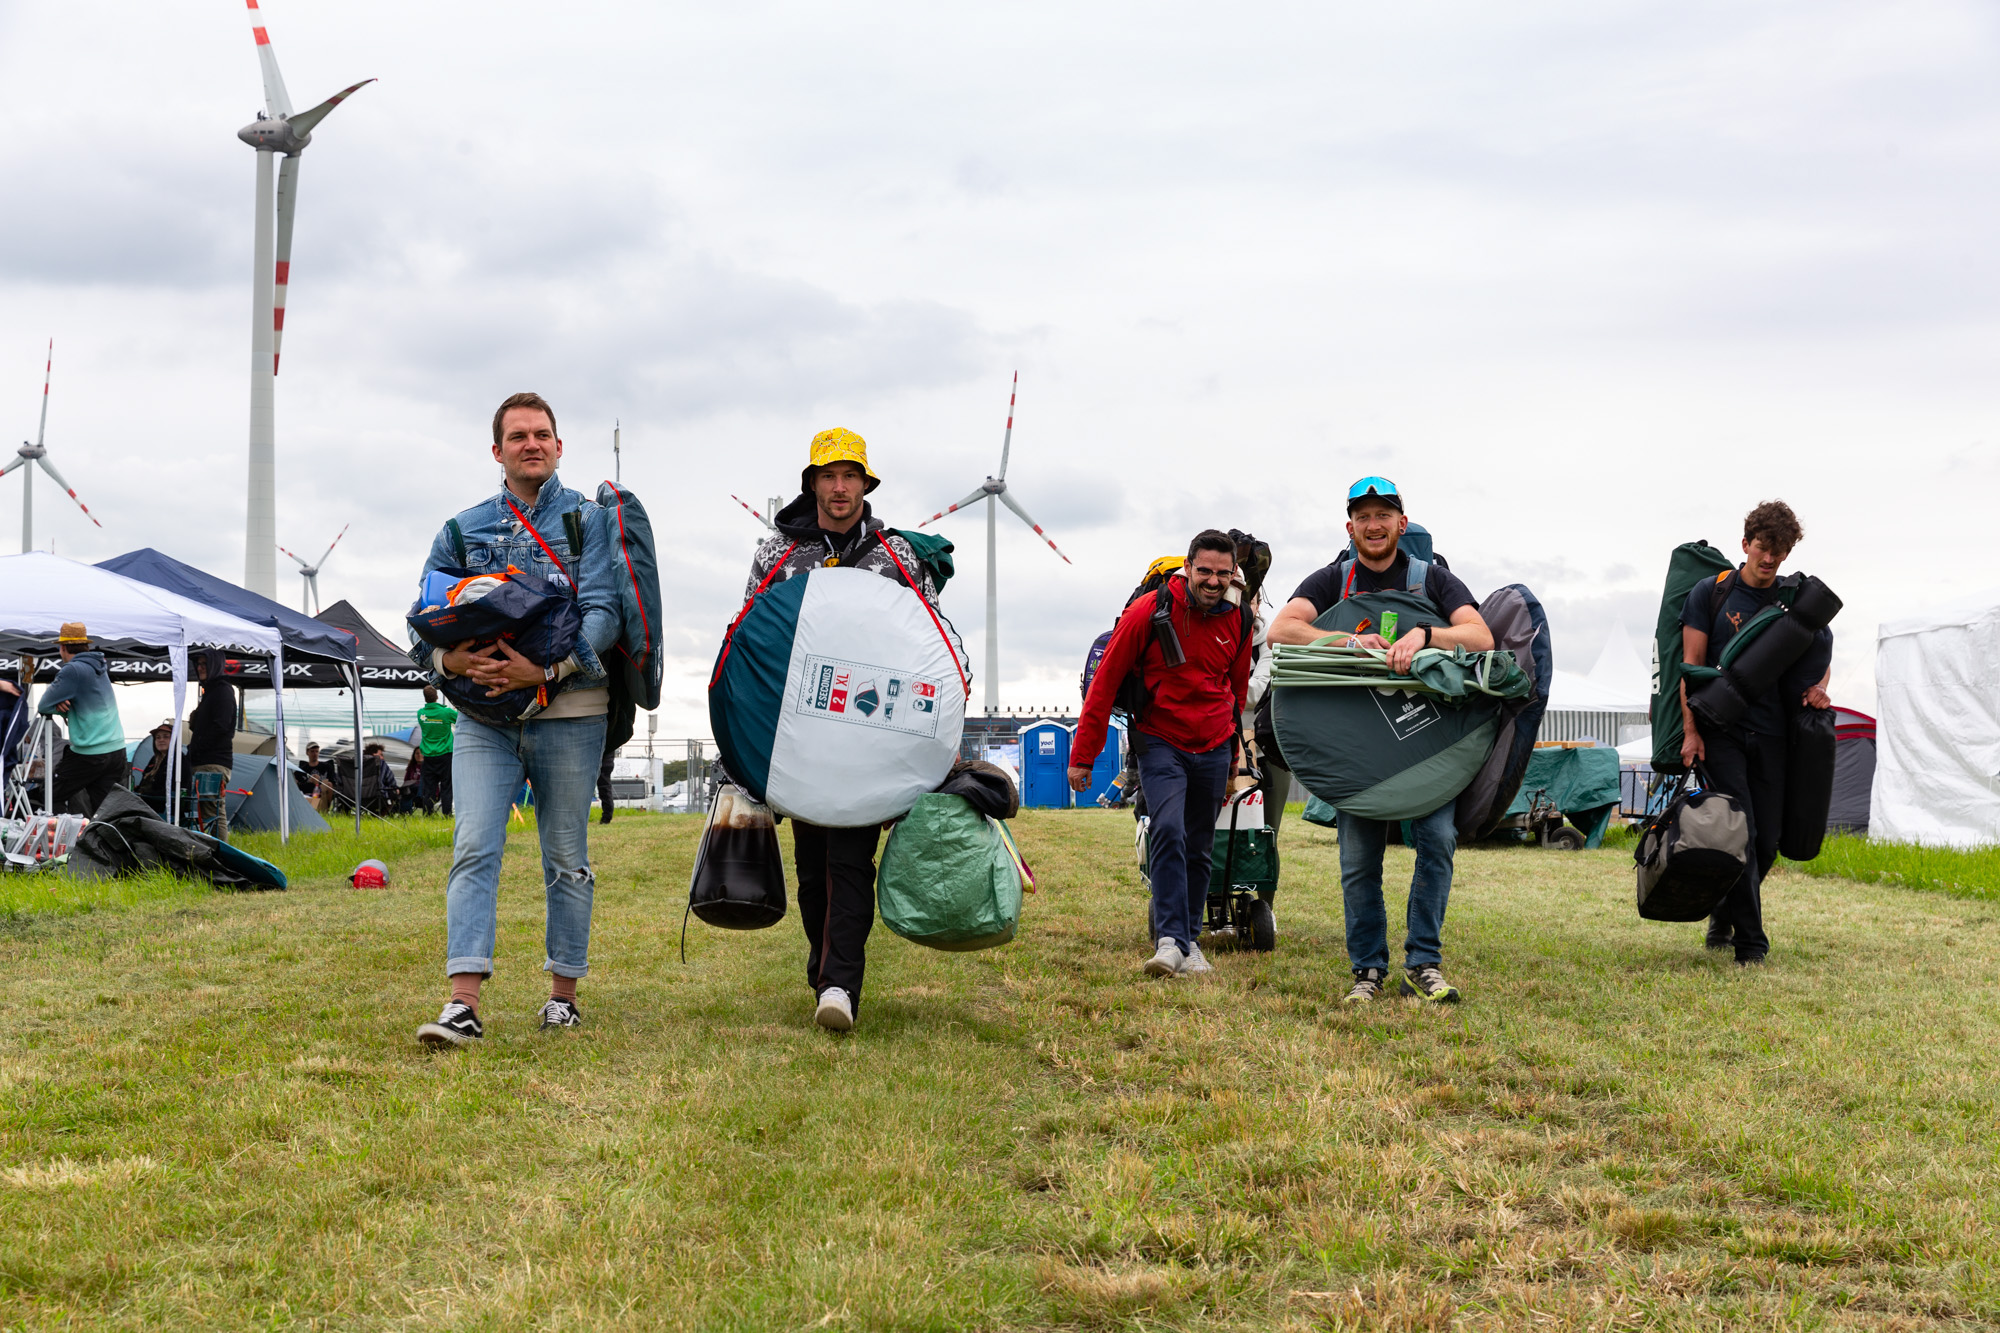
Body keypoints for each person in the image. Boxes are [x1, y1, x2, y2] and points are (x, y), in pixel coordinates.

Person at [414, 391, 620, 1049]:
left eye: (542, 434)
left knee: (565, 854)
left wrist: (549, 672)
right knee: (475, 843)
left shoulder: (592, 522)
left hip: (572, 712)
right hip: (481, 716)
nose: (531, 444)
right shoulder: (461, 529)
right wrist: (453, 656)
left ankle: (563, 996)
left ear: (560, 446)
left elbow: (607, 613)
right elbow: (423, 613)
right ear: (497, 450)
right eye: (518, 435)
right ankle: (462, 1003)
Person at [742, 427, 942, 1033]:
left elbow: (932, 643)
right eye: (828, 477)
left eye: (849, 476)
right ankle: (823, 968)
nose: (838, 488)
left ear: (864, 484)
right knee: (812, 864)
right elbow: (748, 641)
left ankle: (839, 984)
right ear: (811, 485)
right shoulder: (776, 553)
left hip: (872, 733)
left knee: (852, 859)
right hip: (801, 738)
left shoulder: (895, 555)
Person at [1268, 477, 1493, 1005]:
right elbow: (1283, 630)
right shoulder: (1332, 580)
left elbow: (1481, 636)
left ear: (1402, 523)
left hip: (1426, 745)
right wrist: (1347, 639)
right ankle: (1367, 971)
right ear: (1350, 527)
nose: (1374, 525)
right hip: (1359, 750)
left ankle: (1423, 964)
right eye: (1364, 516)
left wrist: (1426, 635)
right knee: (1359, 859)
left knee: (1436, 842)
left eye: (1384, 515)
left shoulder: (1434, 579)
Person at [1070, 531, 1253, 979]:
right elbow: (1106, 681)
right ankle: (1170, 941)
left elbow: (1236, 691)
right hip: (1160, 742)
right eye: (1205, 571)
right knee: (1168, 830)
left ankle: (1189, 943)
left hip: (1212, 744)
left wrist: (1233, 755)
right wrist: (1083, 755)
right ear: (1188, 568)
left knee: (1201, 846)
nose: (1213, 581)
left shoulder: (1240, 620)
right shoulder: (1147, 612)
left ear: (1234, 575)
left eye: (1222, 573)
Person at [1678, 500, 1832, 966]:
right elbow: (1691, 667)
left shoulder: (1793, 599)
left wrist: (1820, 691)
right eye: (1763, 548)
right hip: (1720, 732)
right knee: (1740, 834)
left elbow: (1818, 660)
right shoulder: (1710, 593)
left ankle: (1724, 912)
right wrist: (1691, 733)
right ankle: (1751, 945)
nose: (1770, 559)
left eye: (1780, 551)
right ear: (1745, 544)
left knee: (1766, 842)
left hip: (1774, 736)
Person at [36, 623, 129, 815]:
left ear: (62, 648)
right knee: (106, 811)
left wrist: (61, 708)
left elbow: (43, 705)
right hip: (116, 749)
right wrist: (65, 707)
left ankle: (62, 841)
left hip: (91, 751)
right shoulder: (99, 666)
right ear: (85, 646)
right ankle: (104, 843)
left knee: (50, 795)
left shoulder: (73, 670)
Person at [186, 649, 236, 836]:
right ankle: (217, 853)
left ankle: (221, 855)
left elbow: (220, 727)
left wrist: (197, 746)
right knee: (209, 811)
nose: (199, 668)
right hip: (206, 761)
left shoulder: (222, 691)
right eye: (198, 664)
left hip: (212, 762)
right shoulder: (212, 691)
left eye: (204, 664)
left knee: (213, 812)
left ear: (215, 665)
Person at [414, 685, 457, 815]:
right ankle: (447, 814)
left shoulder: (421, 713)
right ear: (437, 697)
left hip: (428, 756)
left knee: (429, 788)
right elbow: (460, 719)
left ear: (425, 698)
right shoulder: (446, 712)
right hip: (445, 754)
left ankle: (428, 814)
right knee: (446, 786)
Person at [134, 720, 179, 814]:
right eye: (157, 737)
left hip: (164, 807)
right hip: (145, 803)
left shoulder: (179, 760)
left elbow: (174, 789)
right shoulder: (154, 760)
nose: (161, 740)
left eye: (166, 737)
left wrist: (145, 794)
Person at [596, 746, 616, 826]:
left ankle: (606, 817)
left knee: (604, 789)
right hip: (607, 761)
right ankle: (606, 817)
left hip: (603, 761)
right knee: (605, 789)